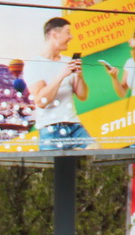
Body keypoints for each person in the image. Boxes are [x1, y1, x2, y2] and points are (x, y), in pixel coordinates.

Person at [27, 17, 91, 150]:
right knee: (56, 169)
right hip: (51, 130)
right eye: (68, 32)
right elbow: (41, 101)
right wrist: (61, 75)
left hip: (74, 126)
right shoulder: (34, 64)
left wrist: (79, 75)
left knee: (96, 153)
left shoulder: (68, 61)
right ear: (54, 35)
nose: (71, 37)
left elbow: (83, 96)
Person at [103, 25, 135, 98]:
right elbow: (122, 93)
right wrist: (114, 77)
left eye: (133, 37)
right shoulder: (130, 62)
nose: (129, 40)